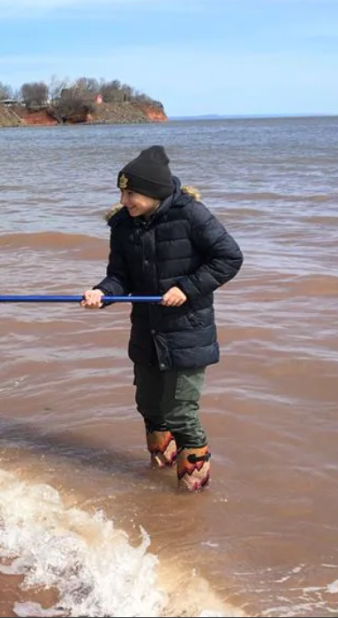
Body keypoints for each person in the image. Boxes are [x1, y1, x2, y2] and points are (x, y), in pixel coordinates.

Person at [81, 146, 243, 491]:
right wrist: (101, 293)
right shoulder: (123, 225)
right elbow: (120, 276)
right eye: (121, 192)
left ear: (154, 192)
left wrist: (187, 287)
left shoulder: (192, 215)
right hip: (146, 331)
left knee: (181, 412)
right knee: (149, 406)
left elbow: (229, 257)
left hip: (186, 332)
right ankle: (159, 478)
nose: (124, 200)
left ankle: (192, 491)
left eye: (130, 193)